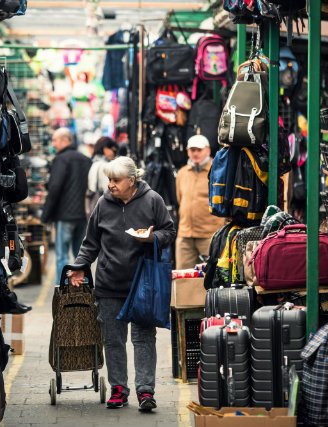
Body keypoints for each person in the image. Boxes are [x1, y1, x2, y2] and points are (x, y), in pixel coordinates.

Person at [68, 157, 176, 412]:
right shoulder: (103, 204)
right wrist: (79, 266)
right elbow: (91, 242)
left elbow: (169, 232)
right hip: (109, 283)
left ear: (131, 180)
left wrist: (152, 237)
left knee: (143, 338)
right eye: (109, 180)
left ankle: (145, 390)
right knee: (113, 339)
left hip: (143, 283)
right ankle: (118, 388)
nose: (111, 185)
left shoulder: (153, 200)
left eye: (116, 180)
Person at [41, 128, 92, 280]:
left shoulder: (61, 159)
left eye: (55, 140)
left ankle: (61, 291)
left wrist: (45, 215)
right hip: (82, 215)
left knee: (62, 257)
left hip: (64, 215)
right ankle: (85, 291)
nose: (53, 143)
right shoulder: (85, 159)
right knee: (81, 257)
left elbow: (55, 188)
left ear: (65, 140)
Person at [175, 134, 225, 269]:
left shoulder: (218, 171)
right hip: (185, 235)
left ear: (208, 150)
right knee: (182, 276)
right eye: (192, 150)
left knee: (211, 276)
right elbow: (180, 199)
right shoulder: (182, 173)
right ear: (187, 151)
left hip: (209, 234)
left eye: (199, 150)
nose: (195, 153)